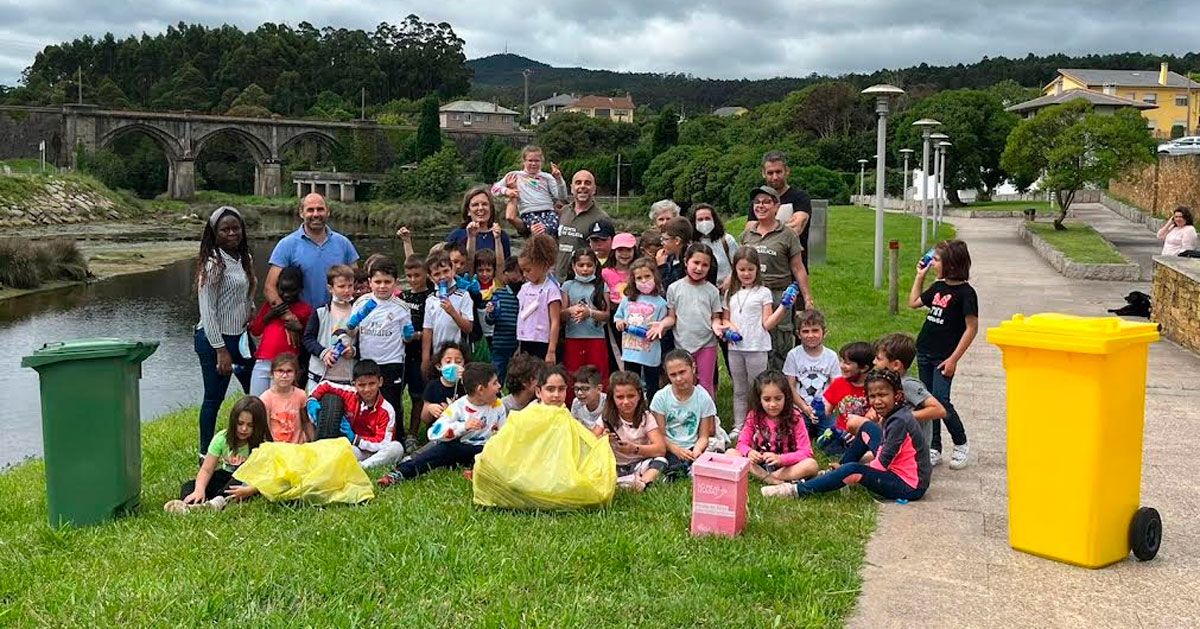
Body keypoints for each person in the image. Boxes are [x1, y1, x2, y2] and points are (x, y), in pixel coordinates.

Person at [763, 368, 930, 502]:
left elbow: (881, 466)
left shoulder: (899, 421)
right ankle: (838, 472)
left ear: (898, 396)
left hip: (909, 485)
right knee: (867, 428)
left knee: (853, 470)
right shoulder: (895, 414)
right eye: (872, 396)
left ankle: (795, 490)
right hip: (896, 468)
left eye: (883, 395)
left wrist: (852, 472)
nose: (877, 401)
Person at [909, 239, 978, 470]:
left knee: (942, 401)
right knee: (926, 400)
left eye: (937, 260)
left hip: (943, 357)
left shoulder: (966, 293)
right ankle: (934, 447)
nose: (934, 264)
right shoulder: (938, 287)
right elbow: (914, 303)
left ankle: (961, 443)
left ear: (950, 264)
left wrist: (953, 359)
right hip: (925, 352)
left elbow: (971, 328)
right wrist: (920, 276)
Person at [194, 206, 256, 456]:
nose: (232, 233)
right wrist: (220, 350)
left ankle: (256, 445)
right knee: (213, 398)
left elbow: (245, 292)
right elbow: (207, 311)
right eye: (225, 229)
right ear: (214, 233)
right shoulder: (212, 264)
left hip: (241, 338)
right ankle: (205, 452)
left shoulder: (244, 258)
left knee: (256, 393)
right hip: (214, 341)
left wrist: (250, 308)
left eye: (236, 228)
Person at [379, 363, 506, 485]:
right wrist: (463, 427)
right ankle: (400, 473)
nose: (499, 386)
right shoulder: (459, 407)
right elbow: (434, 433)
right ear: (480, 389)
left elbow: (503, 433)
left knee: (498, 457)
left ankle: (477, 473)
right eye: (495, 383)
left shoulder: (498, 406)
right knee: (440, 450)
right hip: (460, 447)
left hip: (486, 449)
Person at [741, 185, 815, 370]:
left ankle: (781, 386)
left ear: (777, 206)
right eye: (757, 202)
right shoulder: (747, 235)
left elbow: (798, 268)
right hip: (753, 295)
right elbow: (739, 268)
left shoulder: (788, 234)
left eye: (766, 202)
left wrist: (807, 299)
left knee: (780, 343)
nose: (761, 206)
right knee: (756, 340)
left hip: (779, 295)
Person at [724, 248, 790, 436]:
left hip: (757, 347)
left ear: (757, 270)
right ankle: (739, 425)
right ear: (735, 270)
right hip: (735, 347)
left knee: (758, 388)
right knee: (739, 387)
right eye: (742, 269)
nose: (746, 274)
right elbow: (725, 318)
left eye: (750, 269)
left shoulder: (763, 292)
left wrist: (783, 308)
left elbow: (767, 323)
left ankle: (758, 424)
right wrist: (729, 327)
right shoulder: (731, 293)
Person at [354, 256, 415, 449]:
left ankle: (396, 439)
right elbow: (351, 329)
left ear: (395, 283)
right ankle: (367, 437)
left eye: (387, 282)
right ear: (370, 282)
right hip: (367, 359)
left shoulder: (401, 307)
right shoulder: (361, 303)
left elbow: (407, 336)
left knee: (392, 401)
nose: (382, 286)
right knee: (366, 400)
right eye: (377, 282)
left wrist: (409, 335)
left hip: (392, 361)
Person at [169, 396, 269, 512]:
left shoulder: (264, 444)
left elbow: (267, 477)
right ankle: (191, 504)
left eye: (250, 425)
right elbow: (207, 469)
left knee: (241, 473)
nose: (244, 429)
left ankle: (216, 503)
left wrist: (250, 490)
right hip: (226, 476)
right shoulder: (222, 438)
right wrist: (199, 489)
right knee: (190, 485)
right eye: (240, 423)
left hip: (248, 481)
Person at [265, 192, 359, 311]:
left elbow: (357, 282)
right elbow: (270, 287)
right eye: (310, 210)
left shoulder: (343, 243)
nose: (315, 214)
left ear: (328, 212)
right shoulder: (286, 245)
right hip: (302, 319)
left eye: (320, 209)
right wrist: (288, 316)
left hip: (337, 317)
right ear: (301, 213)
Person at [308, 360, 406, 469]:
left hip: (377, 451)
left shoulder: (387, 410)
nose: (367, 389)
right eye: (361, 385)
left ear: (380, 382)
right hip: (356, 450)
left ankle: (363, 467)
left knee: (397, 448)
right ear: (354, 384)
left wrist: (356, 439)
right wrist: (312, 400)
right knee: (342, 450)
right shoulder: (349, 393)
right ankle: (358, 465)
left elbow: (383, 442)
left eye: (372, 384)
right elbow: (325, 384)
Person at [726, 370, 818, 484]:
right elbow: (741, 444)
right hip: (759, 464)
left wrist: (781, 459)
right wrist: (749, 452)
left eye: (778, 398)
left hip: (787, 466)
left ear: (786, 397)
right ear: (759, 399)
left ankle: (771, 477)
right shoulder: (753, 415)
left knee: (811, 465)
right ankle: (771, 479)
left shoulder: (795, 417)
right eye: (767, 399)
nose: (773, 404)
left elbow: (806, 452)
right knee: (730, 453)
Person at [660, 243, 724, 399]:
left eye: (705, 265)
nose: (699, 268)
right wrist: (662, 324)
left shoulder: (712, 291)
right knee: (683, 383)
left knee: (706, 385)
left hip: (706, 345)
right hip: (682, 345)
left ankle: (709, 419)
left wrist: (717, 327)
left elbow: (715, 318)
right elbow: (671, 317)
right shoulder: (674, 288)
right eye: (696, 263)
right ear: (685, 261)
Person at [651, 349, 724, 478]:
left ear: (693, 368)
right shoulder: (660, 397)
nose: (679, 378)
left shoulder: (703, 397)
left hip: (694, 445)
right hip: (670, 446)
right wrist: (675, 449)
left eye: (682, 372)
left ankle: (691, 468)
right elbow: (660, 435)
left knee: (710, 455)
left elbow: (704, 436)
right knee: (665, 460)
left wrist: (697, 449)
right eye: (673, 375)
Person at [248, 266, 313, 396]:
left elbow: (309, 338)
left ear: (300, 289)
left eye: (291, 291)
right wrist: (271, 314)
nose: (286, 295)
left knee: (278, 404)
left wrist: (299, 328)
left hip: (285, 366)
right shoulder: (270, 305)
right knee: (256, 402)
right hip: (263, 361)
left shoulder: (305, 309)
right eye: (282, 290)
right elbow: (255, 330)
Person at [743, 151, 814, 268]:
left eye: (778, 172)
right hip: (762, 268)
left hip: (793, 268)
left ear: (787, 171)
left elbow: (796, 228)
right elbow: (749, 235)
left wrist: (763, 233)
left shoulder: (800, 197)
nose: (775, 177)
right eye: (770, 173)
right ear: (763, 173)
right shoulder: (757, 201)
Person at [601, 371, 667, 492]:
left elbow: (661, 449)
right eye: (620, 397)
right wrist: (603, 439)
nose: (626, 402)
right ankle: (632, 483)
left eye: (631, 396)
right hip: (615, 467)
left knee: (661, 461)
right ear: (612, 398)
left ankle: (642, 483)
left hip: (639, 464)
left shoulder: (646, 417)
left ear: (639, 395)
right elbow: (591, 443)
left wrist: (634, 449)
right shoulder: (605, 417)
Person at [783, 309, 842, 438]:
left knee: (832, 439)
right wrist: (804, 408)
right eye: (805, 331)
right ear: (798, 334)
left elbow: (836, 385)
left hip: (825, 409)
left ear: (824, 333)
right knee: (794, 438)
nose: (810, 335)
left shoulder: (831, 356)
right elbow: (790, 386)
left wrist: (828, 407)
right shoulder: (793, 355)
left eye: (815, 330)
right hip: (800, 408)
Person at [872, 332, 947, 431]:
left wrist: (903, 417)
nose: (874, 362)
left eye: (879, 359)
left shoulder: (908, 385)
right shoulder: (891, 383)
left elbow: (939, 410)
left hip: (913, 445)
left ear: (896, 365)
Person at [613, 258, 669, 391]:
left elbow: (663, 328)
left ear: (654, 276)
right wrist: (620, 323)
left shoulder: (661, 303)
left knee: (651, 386)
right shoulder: (627, 299)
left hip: (650, 353)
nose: (644, 281)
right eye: (639, 278)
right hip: (630, 351)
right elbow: (618, 317)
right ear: (633, 280)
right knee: (631, 384)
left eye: (647, 276)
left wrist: (657, 331)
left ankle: (652, 409)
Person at [561, 249, 610, 396]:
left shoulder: (601, 285)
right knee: (572, 375)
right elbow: (561, 314)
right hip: (573, 338)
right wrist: (571, 310)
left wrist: (590, 313)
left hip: (596, 339)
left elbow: (607, 315)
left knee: (598, 375)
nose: (585, 269)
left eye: (589, 265)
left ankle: (600, 407)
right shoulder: (568, 286)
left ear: (595, 266)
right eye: (581, 265)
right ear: (573, 266)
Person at [303, 265, 358, 388]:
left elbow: (364, 341)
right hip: (320, 376)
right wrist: (323, 352)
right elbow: (307, 339)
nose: (347, 290)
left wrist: (353, 351)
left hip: (348, 377)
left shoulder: (357, 310)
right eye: (341, 286)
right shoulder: (320, 311)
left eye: (350, 286)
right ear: (330, 288)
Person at [814, 341, 873, 456]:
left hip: (865, 434)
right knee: (826, 447)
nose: (841, 365)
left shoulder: (874, 387)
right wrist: (818, 410)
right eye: (841, 361)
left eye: (847, 363)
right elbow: (828, 409)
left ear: (864, 368)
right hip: (841, 432)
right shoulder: (839, 383)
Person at [421, 251, 474, 377]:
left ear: (453, 270)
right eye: (437, 274)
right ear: (430, 277)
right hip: (438, 354)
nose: (442, 277)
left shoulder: (463, 296)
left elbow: (468, 328)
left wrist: (452, 312)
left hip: (458, 353)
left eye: (446, 271)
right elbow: (428, 331)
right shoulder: (430, 300)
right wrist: (425, 358)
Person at [495, 145, 568, 237]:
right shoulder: (515, 175)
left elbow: (561, 197)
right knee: (539, 231)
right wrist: (507, 191)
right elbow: (494, 189)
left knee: (553, 229)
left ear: (541, 162)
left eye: (537, 161)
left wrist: (559, 179)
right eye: (530, 160)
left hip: (548, 212)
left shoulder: (547, 177)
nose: (533, 164)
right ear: (524, 161)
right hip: (529, 213)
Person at [399, 256, 433, 438]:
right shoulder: (403, 296)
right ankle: (397, 431)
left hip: (421, 353)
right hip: (402, 352)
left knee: (417, 395)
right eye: (409, 276)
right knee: (397, 394)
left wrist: (418, 335)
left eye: (417, 275)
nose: (413, 280)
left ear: (426, 274)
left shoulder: (431, 297)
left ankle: (413, 433)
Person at [554, 170, 610, 278]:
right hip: (559, 279)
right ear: (571, 188)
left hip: (584, 281)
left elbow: (605, 255)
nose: (582, 186)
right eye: (578, 183)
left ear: (594, 189)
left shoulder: (602, 218)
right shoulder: (563, 212)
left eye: (587, 183)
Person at [516, 234, 563, 363]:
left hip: (542, 341)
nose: (525, 274)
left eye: (528, 270)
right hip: (525, 340)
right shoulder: (524, 288)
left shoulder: (551, 289)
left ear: (543, 265)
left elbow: (555, 321)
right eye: (522, 271)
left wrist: (551, 350)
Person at [259, 353, 313, 444]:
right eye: (280, 371)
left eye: (289, 371)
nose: (284, 376)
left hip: (297, 447)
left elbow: (306, 422)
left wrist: (313, 442)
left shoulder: (301, 395)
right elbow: (265, 429)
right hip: (277, 449)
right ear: (272, 374)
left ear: (295, 374)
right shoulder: (266, 399)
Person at [447, 185, 512, 259]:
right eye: (475, 205)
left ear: (491, 209)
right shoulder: (456, 236)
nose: (480, 208)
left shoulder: (502, 236)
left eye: (484, 204)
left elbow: (506, 268)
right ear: (468, 211)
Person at [487, 257, 521, 384]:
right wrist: (491, 313)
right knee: (497, 374)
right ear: (506, 273)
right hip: (500, 344)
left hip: (518, 345)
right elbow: (490, 321)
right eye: (516, 272)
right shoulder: (499, 294)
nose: (519, 276)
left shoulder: (525, 293)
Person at [691, 203, 738, 294]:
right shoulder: (691, 244)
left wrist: (730, 279)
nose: (704, 222)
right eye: (700, 220)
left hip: (726, 292)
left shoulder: (727, 240)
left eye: (707, 218)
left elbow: (738, 264)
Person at [420, 342, 467, 427]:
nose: (453, 365)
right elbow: (424, 418)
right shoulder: (432, 386)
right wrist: (430, 408)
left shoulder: (466, 386)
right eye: (448, 361)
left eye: (458, 361)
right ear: (439, 366)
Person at [656, 216, 692, 289]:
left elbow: (669, 287)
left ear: (677, 241)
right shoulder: (671, 257)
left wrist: (662, 267)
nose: (662, 243)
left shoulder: (689, 261)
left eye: (665, 239)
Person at [569, 365, 607, 433]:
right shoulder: (576, 402)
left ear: (599, 389)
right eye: (576, 389)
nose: (579, 393)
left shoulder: (607, 402)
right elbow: (573, 427)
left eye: (585, 389)